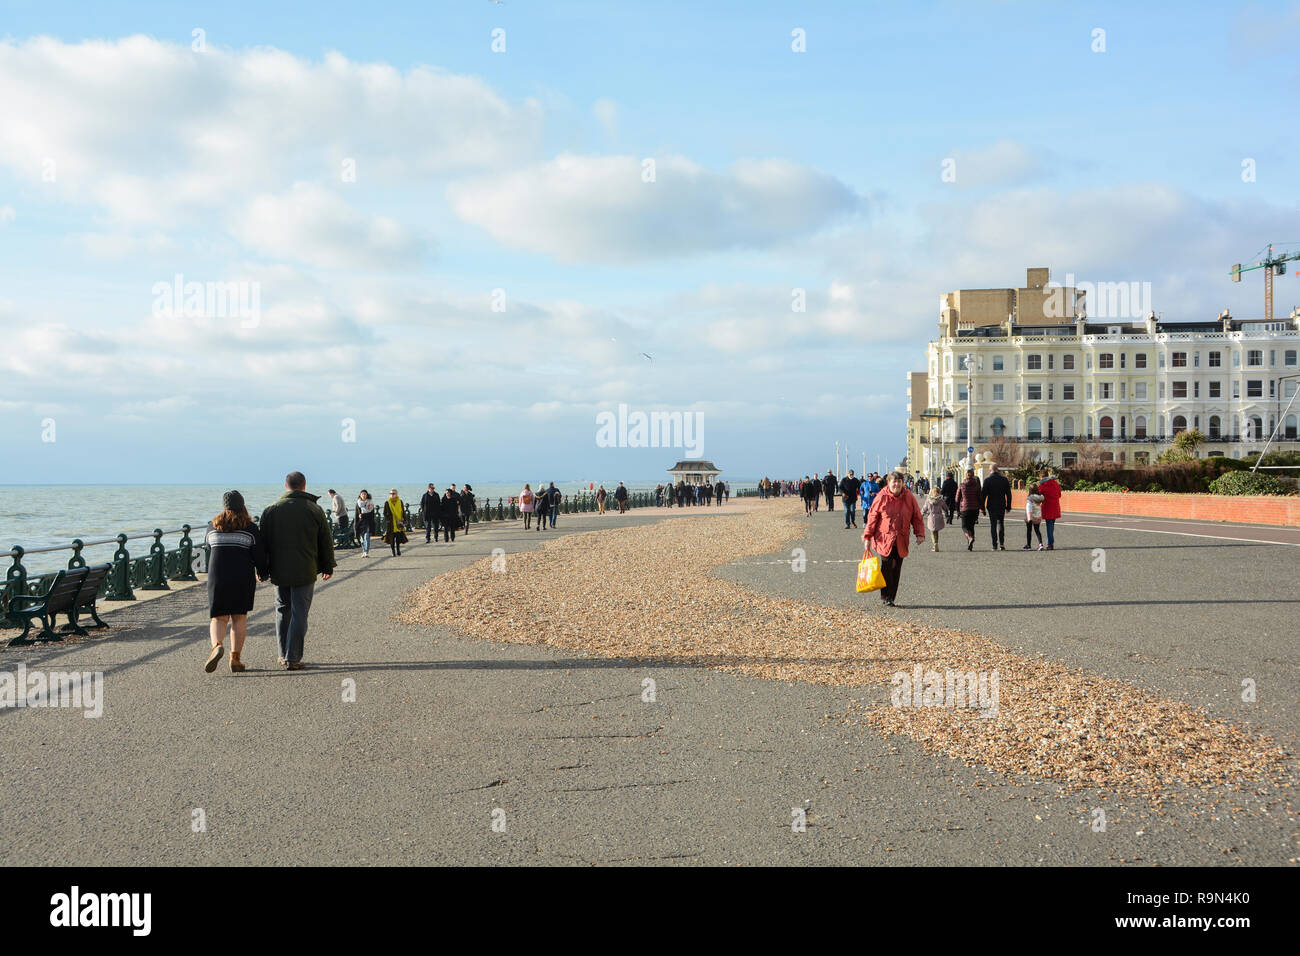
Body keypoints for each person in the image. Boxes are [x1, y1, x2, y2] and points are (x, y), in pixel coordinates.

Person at [259, 471, 335, 670]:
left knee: (282, 610)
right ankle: (293, 657)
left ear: (286, 486)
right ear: (304, 486)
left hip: (278, 569)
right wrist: (327, 566)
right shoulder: (314, 509)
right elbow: (325, 541)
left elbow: (262, 544)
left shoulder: (271, 510)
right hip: (305, 568)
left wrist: (262, 569)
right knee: (299, 612)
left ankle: (283, 653)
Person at [203, 490, 269, 674]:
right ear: (242, 505)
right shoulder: (250, 528)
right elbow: (259, 554)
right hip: (242, 577)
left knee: (218, 617)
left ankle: (217, 646)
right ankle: (235, 659)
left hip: (217, 577)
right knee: (239, 617)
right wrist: (263, 572)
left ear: (224, 506)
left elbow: (208, 546)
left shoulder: (211, 526)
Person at [863, 471, 925, 608]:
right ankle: (885, 596)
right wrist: (868, 536)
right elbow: (872, 518)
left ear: (903, 483)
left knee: (896, 568)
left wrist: (919, 533)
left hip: (901, 538)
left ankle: (891, 596)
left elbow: (916, 516)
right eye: (894, 482)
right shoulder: (881, 497)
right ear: (889, 483)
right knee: (886, 566)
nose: (896, 484)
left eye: (899, 482)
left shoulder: (909, 497)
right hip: (884, 538)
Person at [981, 464, 1012, 551]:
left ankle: (994, 545)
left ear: (990, 470)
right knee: (1001, 523)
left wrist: (982, 508)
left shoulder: (987, 480)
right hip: (1001, 504)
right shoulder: (1004, 479)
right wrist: (1008, 506)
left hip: (991, 505)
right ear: (997, 470)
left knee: (993, 525)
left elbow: (983, 495)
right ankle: (1002, 543)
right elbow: (1008, 494)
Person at [957, 468, 982, 551]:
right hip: (975, 509)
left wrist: (957, 509)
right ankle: (970, 544)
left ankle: (970, 538)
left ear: (966, 475)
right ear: (973, 475)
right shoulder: (976, 485)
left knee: (964, 526)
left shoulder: (962, 485)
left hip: (965, 508)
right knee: (971, 526)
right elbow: (980, 497)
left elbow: (957, 498)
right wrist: (982, 508)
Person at [1039, 467, 1062, 551]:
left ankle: (1050, 543)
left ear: (1041, 477)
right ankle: (1050, 542)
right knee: (1051, 525)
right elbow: (1059, 495)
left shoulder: (1042, 485)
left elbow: (1038, 496)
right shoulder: (1056, 484)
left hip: (1047, 507)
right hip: (1055, 506)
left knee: (1049, 526)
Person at [383, 488, 409, 556]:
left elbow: (403, 511)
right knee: (391, 539)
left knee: (398, 538)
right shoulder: (387, 502)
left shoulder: (400, 502)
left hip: (399, 523)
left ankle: (398, 549)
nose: (392, 495)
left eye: (393, 493)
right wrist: (388, 519)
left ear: (396, 494)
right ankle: (393, 551)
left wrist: (405, 520)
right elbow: (384, 513)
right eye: (390, 493)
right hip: (391, 523)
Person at [920, 486, 946, 552]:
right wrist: (946, 511)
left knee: (932, 532)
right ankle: (936, 543)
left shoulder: (928, 500)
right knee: (936, 531)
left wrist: (920, 515)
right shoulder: (940, 500)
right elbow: (945, 507)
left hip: (931, 517)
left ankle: (935, 544)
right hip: (939, 516)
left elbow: (924, 509)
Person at [1023, 482, 1046, 551]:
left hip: (1031, 517)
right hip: (1038, 516)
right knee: (1037, 530)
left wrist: (1029, 518)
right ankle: (1040, 544)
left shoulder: (1030, 499)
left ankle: (1028, 545)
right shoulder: (1040, 498)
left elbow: (1029, 508)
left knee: (1029, 531)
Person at [355, 490, 377, 557]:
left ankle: (366, 552)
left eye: (365, 494)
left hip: (368, 522)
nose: (364, 495)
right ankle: (364, 551)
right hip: (361, 523)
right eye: (362, 494)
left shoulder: (370, 503)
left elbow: (372, 514)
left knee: (367, 537)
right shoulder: (358, 503)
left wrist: (363, 515)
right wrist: (355, 524)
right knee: (361, 539)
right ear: (360, 495)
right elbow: (356, 514)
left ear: (367, 495)